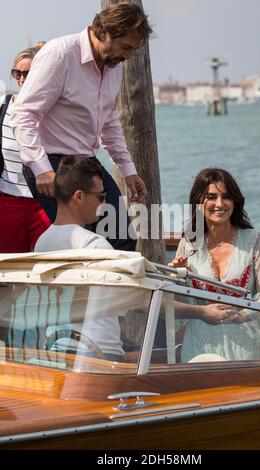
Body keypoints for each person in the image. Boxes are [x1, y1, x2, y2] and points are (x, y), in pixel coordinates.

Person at [11, 2, 152, 251]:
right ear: (105, 33)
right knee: (79, 245)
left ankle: (112, 291)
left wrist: (128, 170)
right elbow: (24, 115)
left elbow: (108, 122)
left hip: (85, 162)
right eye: (126, 47)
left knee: (122, 239)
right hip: (52, 164)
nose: (128, 56)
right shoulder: (60, 54)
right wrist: (41, 168)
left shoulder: (114, 65)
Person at [169, 168, 260, 362]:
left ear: (235, 202)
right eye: (211, 197)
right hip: (198, 349)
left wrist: (243, 314)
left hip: (245, 348)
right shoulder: (188, 244)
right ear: (198, 203)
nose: (219, 204)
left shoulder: (254, 241)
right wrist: (177, 278)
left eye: (226, 197)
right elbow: (176, 307)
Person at [35, 155, 124, 361]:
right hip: (100, 354)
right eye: (100, 196)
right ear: (79, 197)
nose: (104, 202)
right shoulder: (94, 245)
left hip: (56, 350)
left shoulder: (41, 243)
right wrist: (200, 312)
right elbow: (138, 300)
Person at [0, 43, 50, 253]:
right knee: (8, 269)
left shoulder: (53, 109)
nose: (21, 79)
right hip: (7, 201)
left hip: (44, 202)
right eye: (17, 73)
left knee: (50, 265)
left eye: (27, 73)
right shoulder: (3, 105)